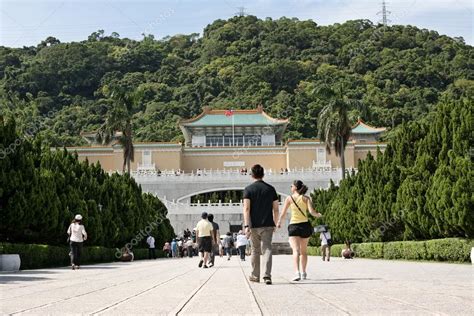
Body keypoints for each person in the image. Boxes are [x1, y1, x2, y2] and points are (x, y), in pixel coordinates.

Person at [277, 180, 322, 281]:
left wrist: (279, 222)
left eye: (291, 186)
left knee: (296, 250)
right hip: (305, 225)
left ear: (295, 188)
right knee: (303, 251)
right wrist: (318, 215)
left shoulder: (289, 198)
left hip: (294, 226)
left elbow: (283, 213)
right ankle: (304, 272)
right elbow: (311, 212)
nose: (290, 187)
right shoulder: (306, 198)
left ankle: (297, 272)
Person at [243, 164, 279, 285]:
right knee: (267, 249)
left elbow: (246, 209)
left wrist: (246, 225)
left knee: (255, 250)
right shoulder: (271, 189)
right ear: (263, 174)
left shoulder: (248, 189)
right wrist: (275, 222)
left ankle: (254, 275)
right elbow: (276, 209)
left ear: (252, 175)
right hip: (268, 224)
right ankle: (267, 276)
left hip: (253, 225)